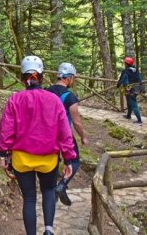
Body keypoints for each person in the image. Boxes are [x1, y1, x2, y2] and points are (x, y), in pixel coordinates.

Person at [0, 56, 76, 235]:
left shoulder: (15, 100)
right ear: (41, 76)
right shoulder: (54, 100)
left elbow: (7, 129)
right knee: (48, 191)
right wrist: (69, 159)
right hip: (48, 159)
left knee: (29, 199)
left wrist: (3, 153)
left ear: (22, 77)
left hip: (21, 159)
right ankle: (48, 230)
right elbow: (65, 132)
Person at [46, 62, 89, 206]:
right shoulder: (69, 96)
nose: (73, 81)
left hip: (47, 134)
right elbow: (76, 122)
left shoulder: (46, 91)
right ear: (68, 78)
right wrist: (83, 136)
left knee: (53, 161)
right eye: (73, 78)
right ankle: (62, 185)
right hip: (64, 135)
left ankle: (50, 193)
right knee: (74, 161)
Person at [117, 57, 143, 125]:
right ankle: (128, 115)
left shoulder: (125, 71)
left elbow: (121, 80)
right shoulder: (136, 70)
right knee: (129, 102)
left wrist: (118, 85)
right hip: (137, 88)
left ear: (126, 64)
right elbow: (140, 79)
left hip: (129, 89)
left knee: (134, 104)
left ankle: (139, 120)